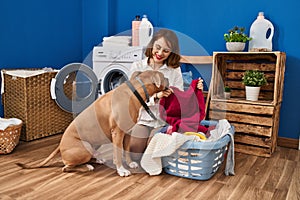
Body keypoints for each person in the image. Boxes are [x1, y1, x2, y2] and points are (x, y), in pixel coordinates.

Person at [128, 28, 203, 161]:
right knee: (135, 154)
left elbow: (181, 100)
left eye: (166, 51)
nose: (160, 53)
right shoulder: (138, 67)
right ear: (152, 45)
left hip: (164, 121)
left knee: (153, 152)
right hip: (143, 119)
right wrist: (156, 97)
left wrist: (195, 89)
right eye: (157, 47)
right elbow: (133, 98)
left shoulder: (174, 70)